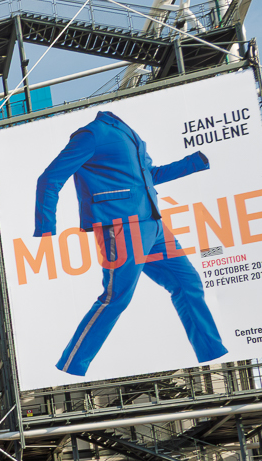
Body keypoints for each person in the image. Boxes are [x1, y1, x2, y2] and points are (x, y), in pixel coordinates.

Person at [31, 111, 221, 377]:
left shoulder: (130, 134)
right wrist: (46, 228)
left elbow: (148, 176)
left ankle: (211, 351)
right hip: (120, 225)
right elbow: (49, 178)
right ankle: (71, 365)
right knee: (115, 298)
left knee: (187, 283)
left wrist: (194, 163)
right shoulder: (92, 134)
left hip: (153, 224)